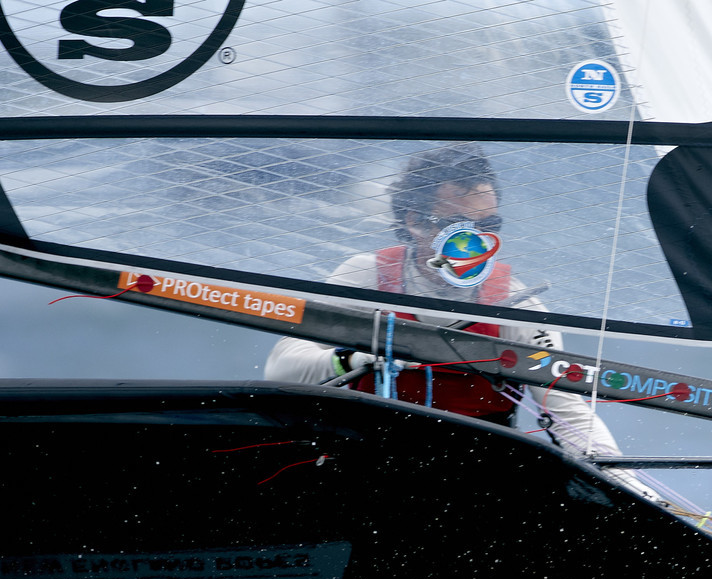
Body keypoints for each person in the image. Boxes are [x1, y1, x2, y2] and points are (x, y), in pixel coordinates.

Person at [265, 144, 629, 464]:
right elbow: (281, 368)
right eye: (458, 225)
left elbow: (569, 413)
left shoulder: (519, 306)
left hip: (474, 475)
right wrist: (354, 360)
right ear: (415, 222)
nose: (476, 242)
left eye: (489, 225)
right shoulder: (366, 278)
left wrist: (620, 476)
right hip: (373, 462)